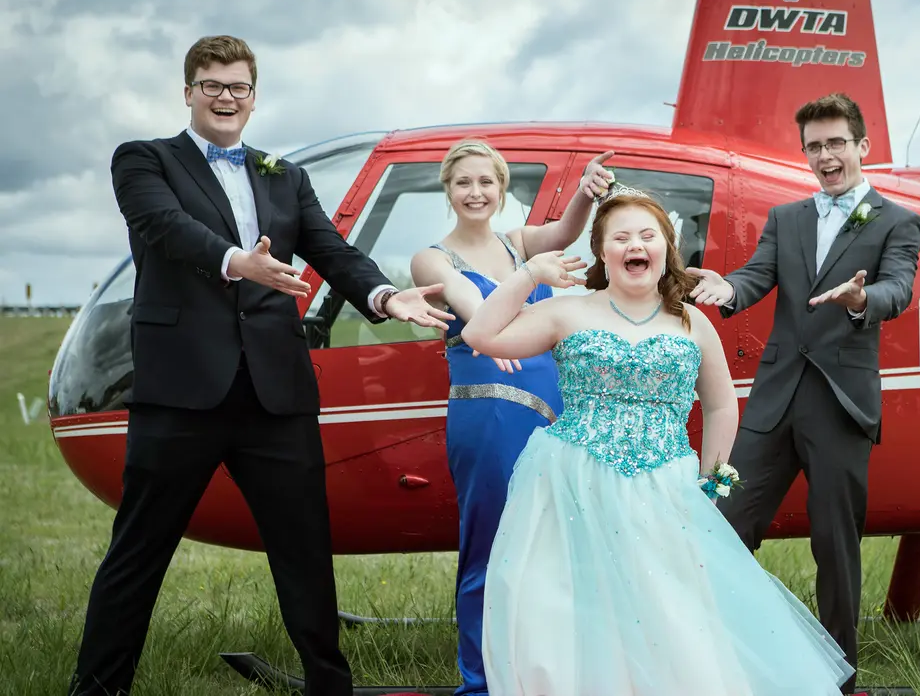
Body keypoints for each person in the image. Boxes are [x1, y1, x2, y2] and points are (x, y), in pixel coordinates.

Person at [67, 35, 453, 696]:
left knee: (304, 553)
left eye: (238, 86)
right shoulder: (144, 160)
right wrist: (235, 261)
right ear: (187, 92)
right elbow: (162, 227)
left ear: (254, 96)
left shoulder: (284, 175)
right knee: (138, 554)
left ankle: (328, 685)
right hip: (180, 393)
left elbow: (332, 249)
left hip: (276, 394)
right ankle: (98, 688)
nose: (225, 97)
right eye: (212, 85)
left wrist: (385, 294)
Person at [460, 185, 856, 695]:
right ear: (603, 251)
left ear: (667, 249)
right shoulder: (569, 313)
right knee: (572, 609)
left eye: (647, 235)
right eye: (620, 237)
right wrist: (530, 273)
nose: (634, 245)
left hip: (664, 485)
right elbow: (481, 335)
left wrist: (712, 480)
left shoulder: (692, 323)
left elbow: (719, 404)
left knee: (668, 609)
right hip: (570, 480)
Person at [687, 92, 920, 694]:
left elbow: (898, 289)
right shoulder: (786, 218)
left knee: (834, 546)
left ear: (862, 147)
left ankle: (838, 680)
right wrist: (728, 290)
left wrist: (861, 299)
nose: (825, 156)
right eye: (814, 147)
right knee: (721, 520)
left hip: (841, 406)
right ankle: (712, 660)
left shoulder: (898, 220)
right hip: (771, 401)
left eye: (836, 143)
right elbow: (756, 276)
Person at [409, 140, 612, 696]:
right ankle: (482, 680)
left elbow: (566, 233)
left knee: (557, 539)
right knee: (492, 542)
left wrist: (584, 192)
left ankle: (552, 670)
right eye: (463, 182)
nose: (475, 192)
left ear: (502, 189)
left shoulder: (519, 241)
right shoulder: (433, 257)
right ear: (447, 189)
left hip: (559, 406)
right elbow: (467, 305)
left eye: (486, 182)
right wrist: (492, 325)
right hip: (489, 411)